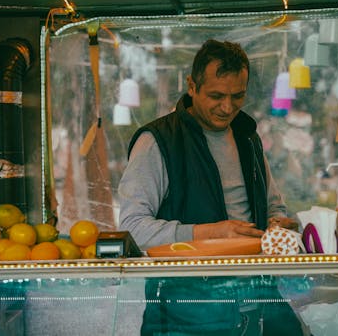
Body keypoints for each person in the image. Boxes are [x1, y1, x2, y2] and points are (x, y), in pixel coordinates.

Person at [118, 39, 303, 336]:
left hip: (259, 303)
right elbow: (132, 228)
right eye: (216, 95)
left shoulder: (247, 137)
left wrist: (279, 224)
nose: (227, 107)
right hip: (187, 313)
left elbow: (274, 205)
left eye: (237, 96)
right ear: (192, 86)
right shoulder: (158, 141)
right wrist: (212, 233)